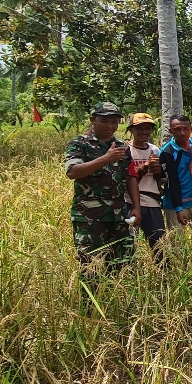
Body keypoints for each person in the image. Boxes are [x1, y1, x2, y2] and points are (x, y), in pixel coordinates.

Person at [64, 102, 135, 269]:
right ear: (92, 120)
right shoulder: (80, 144)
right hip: (90, 217)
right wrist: (106, 158)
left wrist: (136, 207)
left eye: (114, 121)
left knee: (122, 265)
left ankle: (117, 295)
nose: (110, 126)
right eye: (104, 121)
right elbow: (72, 172)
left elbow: (129, 177)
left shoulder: (122, 146)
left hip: (118, 216)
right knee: (90, 266)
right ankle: (92, 296)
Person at [124, 113, 166, 250]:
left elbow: (160, 179)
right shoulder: (125, 150)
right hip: (129, 202)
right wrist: (146, 166)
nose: (144, 132)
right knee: (130, 243)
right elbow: (127, 178)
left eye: (148, 128)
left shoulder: (154, 150)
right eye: (139, 129)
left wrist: (157, 170)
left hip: (151, 201)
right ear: (131, 130)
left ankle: (162, 270)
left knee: (159, 243)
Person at [160, 115, 192, 228]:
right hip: (175, 206)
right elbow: (171, 181)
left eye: (185, 129)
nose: (182, 133)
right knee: (177, 242)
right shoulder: (167, 152)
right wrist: (178, 208)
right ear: (170, 131)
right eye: (177, 129)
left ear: (191, 129)